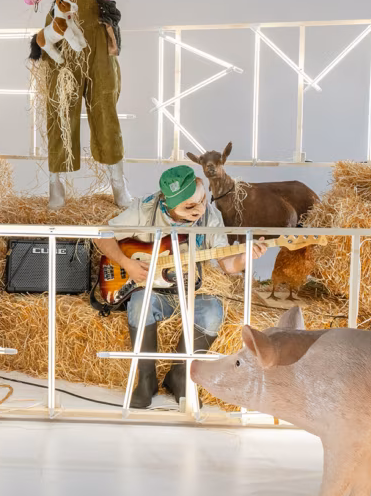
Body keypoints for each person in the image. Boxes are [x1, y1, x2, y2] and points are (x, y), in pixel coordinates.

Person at [24, 0, 227, 210]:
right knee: (59, 111)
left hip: (98, 43)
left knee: (105, 110)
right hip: (63, 46)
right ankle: (56, 185)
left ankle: (117, 184)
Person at [94, 165, 266, 408]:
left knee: (212, 312)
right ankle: (146, 379)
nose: (200, 209)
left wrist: (246, 256)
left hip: (194, 290)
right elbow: (101, 234)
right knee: (140, 305)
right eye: (189, 206)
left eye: (202, 200)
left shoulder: (210, 215)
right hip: (152, 289)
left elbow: (228, 264)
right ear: (168, 203)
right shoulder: (145, 209)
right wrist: (126, 263)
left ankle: (179, 376)